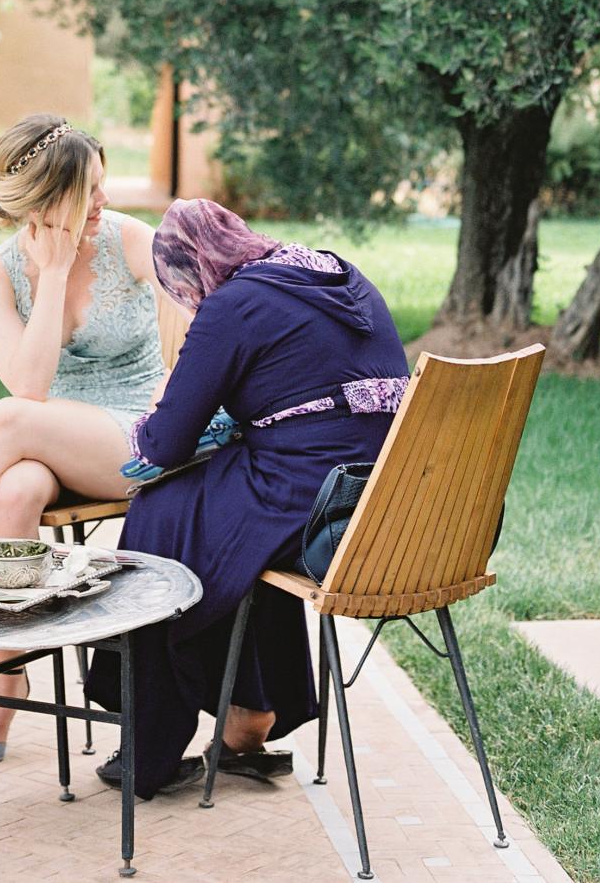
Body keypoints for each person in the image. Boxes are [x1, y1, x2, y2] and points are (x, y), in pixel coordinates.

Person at [87, 198, 410, 800]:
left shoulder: (231, 305)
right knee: (221, 517)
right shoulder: (333, 273)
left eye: (181, 290)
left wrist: (142, 432)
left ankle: (151, 740)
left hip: (319, 505)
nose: (187, 304)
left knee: (161, 510)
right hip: (389, 499)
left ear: (192, 272)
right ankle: (249, 714)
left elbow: (166, 441)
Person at [0, 113, 166, 768]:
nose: (107, 200)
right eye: (90, 190)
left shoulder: (131, 241)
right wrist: (52, 275)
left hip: (141, 434)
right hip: (56, 437)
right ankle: (10, 671)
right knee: (14, 488)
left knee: (7, 421)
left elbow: (198, 307)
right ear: (48, 200)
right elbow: (31, 382)